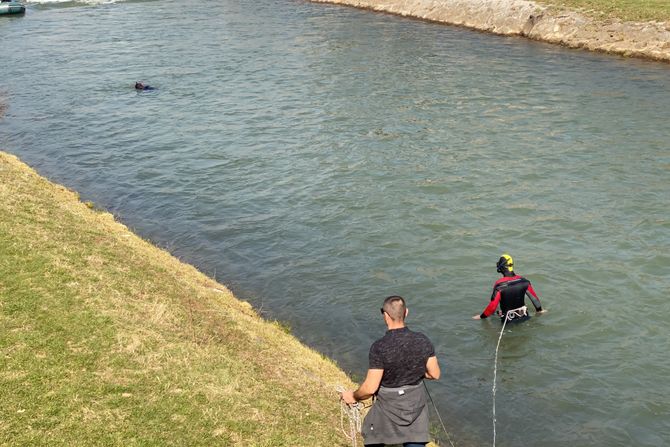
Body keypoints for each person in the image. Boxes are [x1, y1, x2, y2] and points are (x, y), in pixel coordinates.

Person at [339, 295, 441, 447]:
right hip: (415, 406)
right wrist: (418, 372)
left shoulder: (379, 347)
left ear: (385, 316)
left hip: (388, 407)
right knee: (415, 442)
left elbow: (370, 388)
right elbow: (435, 374)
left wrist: (353, 396)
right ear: (406, 313)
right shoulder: (423, 340)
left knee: (373, 438)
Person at [473, 253, 545, 322]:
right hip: (525, 317)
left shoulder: (499, 285)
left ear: (502, 267)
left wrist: (481, 316)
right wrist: (540, 311)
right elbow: (535, 300)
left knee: (494, 314)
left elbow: (492, 307)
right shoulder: (524, 281)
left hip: (508, 321)